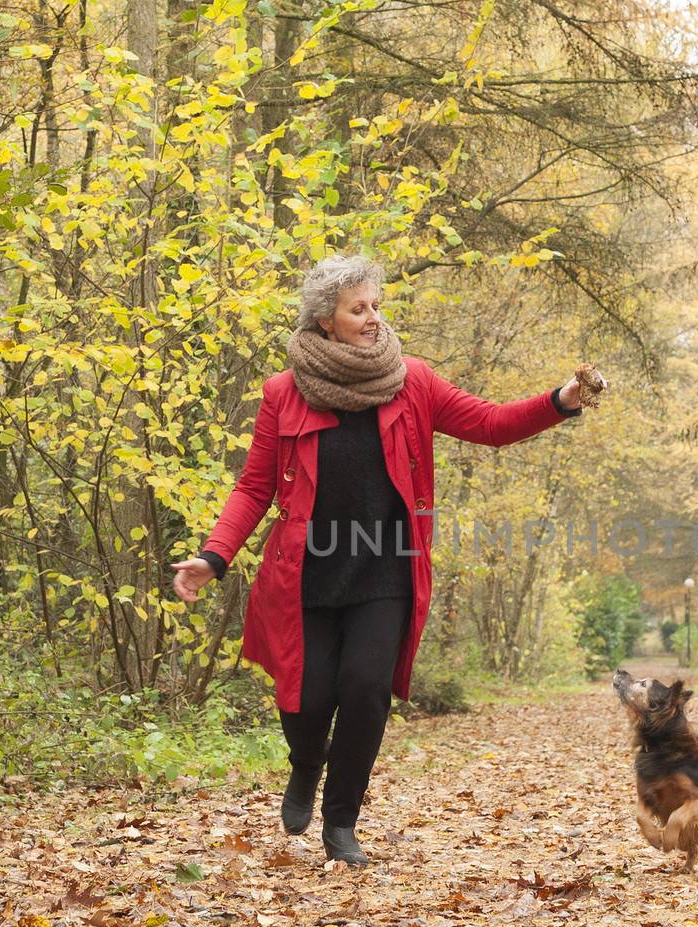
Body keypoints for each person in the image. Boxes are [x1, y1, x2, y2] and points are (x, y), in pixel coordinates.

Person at [171, 254, 602, 866]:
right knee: (308, 696)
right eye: (358, 310)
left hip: (385, 568)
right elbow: (254, 487)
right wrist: (214, 558)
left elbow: (490, 424)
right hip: (308, 571)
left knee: (366, 690)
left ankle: (341, 820)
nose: (373, 318)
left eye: (375, 306)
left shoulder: (413, 380)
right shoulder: (283, 394)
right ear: (326, 322)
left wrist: (560, 400)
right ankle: (304, 764)